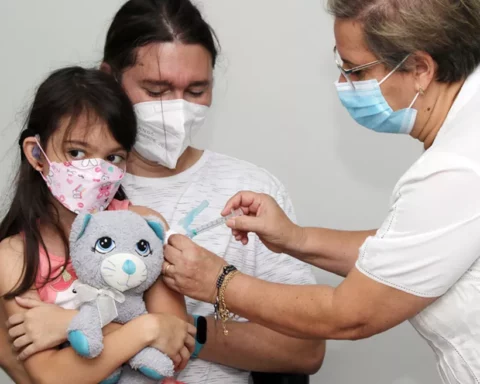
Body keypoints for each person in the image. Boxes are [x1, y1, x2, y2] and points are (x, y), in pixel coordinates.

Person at [5, 0, 326, 383]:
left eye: (195, 90)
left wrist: (92, 323)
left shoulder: (250, 191)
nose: (176, 109)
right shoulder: (62, 203)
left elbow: (306, 349)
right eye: (156, 89)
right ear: (110, 78)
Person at [160, 0, 480, 382]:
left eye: (355, 70)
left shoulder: (456, 167)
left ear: (421, 69)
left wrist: (220, 282)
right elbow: (410, 250)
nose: (344, 85)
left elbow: (351, 315)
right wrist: (295, 239)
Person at [0, 66, 195, 384]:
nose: (96, 170)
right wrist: (145, 328)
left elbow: (174, 340)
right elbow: (51, 377)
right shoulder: (14, 258)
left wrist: (68, 323)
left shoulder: (143, 227)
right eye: (76, 152)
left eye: (114, 157)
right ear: (36, 154)